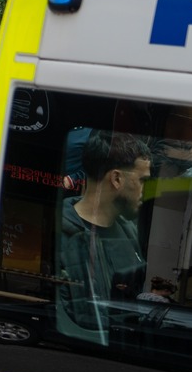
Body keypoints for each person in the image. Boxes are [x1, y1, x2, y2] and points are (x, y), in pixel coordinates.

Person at [57, 131, 151, 345]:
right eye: (142, 180)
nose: (145, 190)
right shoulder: (61, 235)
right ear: (117, 179)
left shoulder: (129, 232)